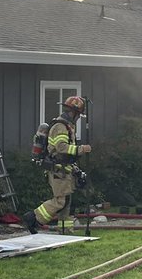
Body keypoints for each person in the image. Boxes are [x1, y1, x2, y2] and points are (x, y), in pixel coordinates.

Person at [24, 95, 92, 232]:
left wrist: (74, 167)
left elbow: (65, 154)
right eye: (78, 115)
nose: (78, 118)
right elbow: (61, 148)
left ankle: (65, 231)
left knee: (66, 202)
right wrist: (81, 149)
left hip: (64, 169)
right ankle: (33, 218)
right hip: (58, 170)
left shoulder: (67, 126)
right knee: (61, 201)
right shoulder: (60, 127)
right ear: (73, 112)